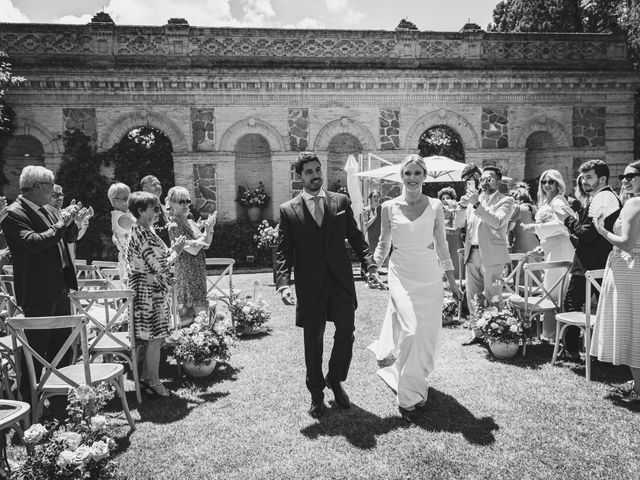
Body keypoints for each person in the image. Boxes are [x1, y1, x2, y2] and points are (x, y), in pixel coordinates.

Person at [275, 152, 379, 419]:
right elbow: (283, 251)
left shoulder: (341, 201)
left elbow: (356, 237)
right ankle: (316, 394)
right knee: (314, 341)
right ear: (300, 177)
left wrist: (370, 263)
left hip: (341, 282)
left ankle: (335, 378)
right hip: (310, 287)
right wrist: (283, 283)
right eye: (309, 172)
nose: (315, 175)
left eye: (317, 170)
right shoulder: (288, 210)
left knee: (347, 331)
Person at [368, 155, 461, 416]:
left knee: (426, 335)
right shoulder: (388, 207)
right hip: (400, 274)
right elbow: (384, 243)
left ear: (425, 176)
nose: (412, 178)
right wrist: (374, 265)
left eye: (417, 173)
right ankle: (408, 397)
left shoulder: (435, 206)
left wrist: (452, 281)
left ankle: (414, 382)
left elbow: (442, 245)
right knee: (411, 329)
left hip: (429, 275)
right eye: (407, 173)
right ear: (401, 176)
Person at [1, 166, 81, 387]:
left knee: (62, 346)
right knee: (35, 351)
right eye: (50, 185)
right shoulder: (13, 213)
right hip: (37, 291)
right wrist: (60, 224)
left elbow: (70, 237)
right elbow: (34, 243)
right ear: (36, 186)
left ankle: (61, 398)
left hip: (60, 286)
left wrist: (70, 219)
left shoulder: (46, 209)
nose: (54, 189)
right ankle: (31, 402)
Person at [559, 160, 621, 358]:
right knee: (607, 310)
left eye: (589, 177)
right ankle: (604, 352)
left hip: (588, 265)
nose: (584, 181)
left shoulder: (603, 199)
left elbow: (586, 234)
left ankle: (571, 351)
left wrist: (568, 220)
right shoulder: (602, 198)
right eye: (583, 177)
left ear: (602, 178)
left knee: (572, 305)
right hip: (600, 263)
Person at [127, 191, 186, 398]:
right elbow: (158, 265)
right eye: (153, 208)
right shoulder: (142, 233)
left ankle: (144, 379)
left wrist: (172, 250)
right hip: (149, 294)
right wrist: (176, 252)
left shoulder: (144, 230)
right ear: (141, 211)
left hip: (150, 291)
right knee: (155, 338)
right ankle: (154, 381)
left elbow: (157, 260)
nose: (158, 211)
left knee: (154, 338)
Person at [591, 160, 640, 403]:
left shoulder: (634, 202)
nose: (625, 179)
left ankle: (638, 389)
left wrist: (602, 231)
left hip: (629, 269)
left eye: (632, 176)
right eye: (623, 175)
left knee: (632, 327)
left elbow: (627, 243)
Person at [455, 165, 515, 344]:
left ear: (498, 182)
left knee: (493, 294)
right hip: (471, 252)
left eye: (489, 179)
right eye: (482, 179)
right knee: (473, 295)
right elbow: (459, 224)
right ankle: (477, 331)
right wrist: (461, 206)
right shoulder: (474, 199)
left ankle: (497, 332)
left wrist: (476, 204)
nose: (484, 182)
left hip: (492, 254)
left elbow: (497, 222)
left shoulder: (507, 200)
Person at [521, 170, 574, 341]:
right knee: (550, 290)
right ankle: (552, 334)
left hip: (561, 249)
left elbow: (564, 226)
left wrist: (535, 228)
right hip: (550, 248)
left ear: (558, 183)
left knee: (555, 292)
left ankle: (556, 335)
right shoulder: (545, 202)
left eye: (551, 181)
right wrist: (542, 246)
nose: (547, 185)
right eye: (544, 181)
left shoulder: (559, 200)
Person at [166, 186, 216, 323]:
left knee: (201, 312)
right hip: (186, 273)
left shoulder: (190, 222)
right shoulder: (174, 225)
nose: (185, 205)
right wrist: (205, 233)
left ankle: (203, 339)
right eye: (181, 202)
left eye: (187, 201)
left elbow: (206, 245)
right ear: (171, 203)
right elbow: (192, 249)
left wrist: (209, 230)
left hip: (198, 270)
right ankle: (193, 341)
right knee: (187, 316)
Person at [48, 184, 93, 264]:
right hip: (55, 264)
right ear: (46, 196)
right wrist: (75, 220)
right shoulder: (46, 214)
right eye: (54, 195)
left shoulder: (65, 213)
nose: (59, 198)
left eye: (61, 195)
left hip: (68, 264)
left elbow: (76, 237)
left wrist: (84, 221)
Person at [107, 182, 135, 282]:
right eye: (125, 199)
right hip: (132, 266)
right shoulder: (122, 217)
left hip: (130, 264)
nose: (130, 201)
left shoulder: (121, 215)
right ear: (114, 201)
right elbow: (147, 228)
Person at [438, 187, 463, 278]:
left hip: (455, 243)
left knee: (456, 268)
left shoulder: (457, 211)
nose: (445, 200)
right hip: (442, 243)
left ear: (453, 199)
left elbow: (457, 228)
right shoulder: (439, 212)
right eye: (443, 199)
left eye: (447, 198)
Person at [140, 175, 171, 247]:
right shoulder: (147, 207)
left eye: (159, 184)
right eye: (154, 184)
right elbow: (156, 232)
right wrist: (172, 224)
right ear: (145, 189)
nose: (158, 186)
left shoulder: (162, 206)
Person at [361, 189, 382, 279]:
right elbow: (366, 225)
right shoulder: (366, 210)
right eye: (374, 196)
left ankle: (386, 274)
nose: (376, 198)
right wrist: (374, 217)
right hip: (370, 236)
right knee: (370, 255)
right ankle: (366, 272)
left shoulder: (382, 208)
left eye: (377, 196)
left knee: (383, 255)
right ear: (370, 198)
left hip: (380, 236)